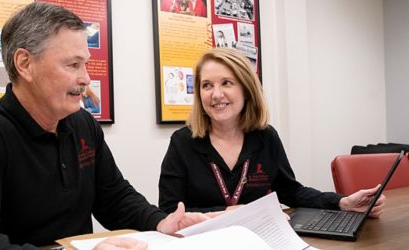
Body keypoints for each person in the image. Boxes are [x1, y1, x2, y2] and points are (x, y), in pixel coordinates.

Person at [0, 3, 209, 249]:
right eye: (73, 65)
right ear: (25, 64)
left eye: (86, 64)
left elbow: (114, 198)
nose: (86, 78)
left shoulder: (82, 124)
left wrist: (160, 222)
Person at [158, 47, 386, 219]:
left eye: (226, 83)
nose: (216, 94)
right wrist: (225, 213)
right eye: (207, 85)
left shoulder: (266, 137)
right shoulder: (183, 142)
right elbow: (169, 211)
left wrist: (342, 202)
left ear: (246, 90)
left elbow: (291, 192)